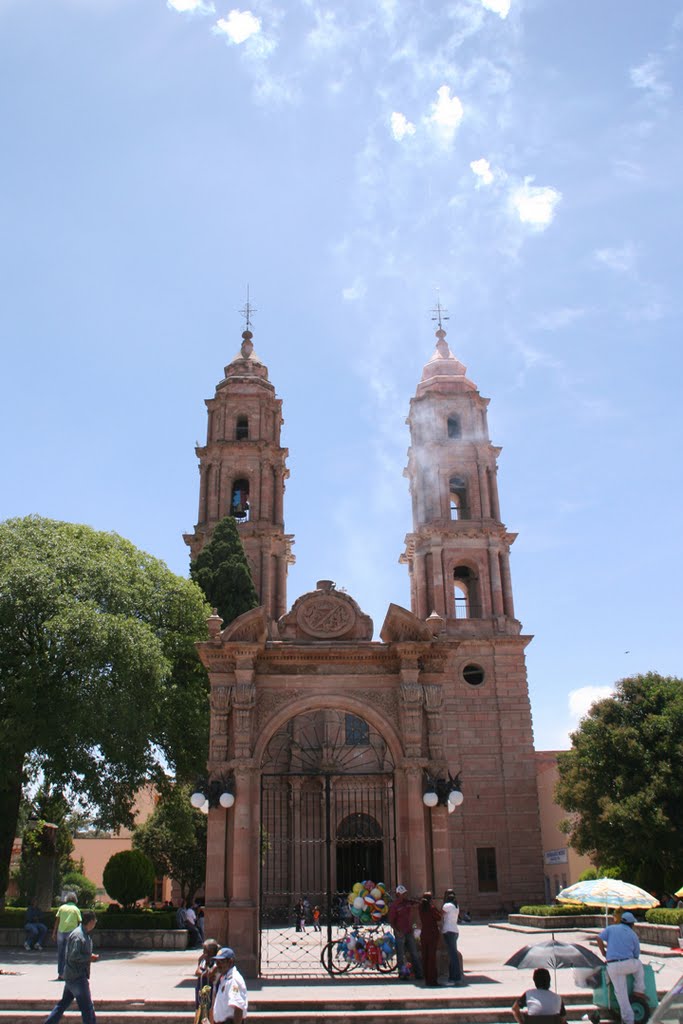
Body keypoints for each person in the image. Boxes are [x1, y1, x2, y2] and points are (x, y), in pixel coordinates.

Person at [43, 910, 99, 1024]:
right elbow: (74, 956)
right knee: (87, 1007)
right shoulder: (79, 936)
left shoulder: (83, 933)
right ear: (91, 921)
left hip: (71, 976)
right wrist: (89, 958)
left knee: (63, 1003)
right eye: (95, 921)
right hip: (77, 977)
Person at [597, 911, 646, 1024]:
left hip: (612, 966)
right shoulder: (633, 934)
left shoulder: (611, 928)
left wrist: (603, 952)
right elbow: (636, 955)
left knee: (621, 995)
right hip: (627, 963)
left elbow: (598, 938)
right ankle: (639, 990)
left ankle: (628, 1020)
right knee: (638, 965)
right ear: (632, 924)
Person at [388, 885, 423, 980]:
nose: (405, 895)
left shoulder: (407, 902)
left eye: (405, 893)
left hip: (408, 931)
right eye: (403, 894)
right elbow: (391, 921)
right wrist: (397, 931)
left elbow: (417, 903)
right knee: (400, 954)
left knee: (414, 953)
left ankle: (418, 973)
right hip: (400, 932)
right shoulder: (394, 906)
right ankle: (402, 973)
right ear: (398, 894)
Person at [210, 946, 248, 1024]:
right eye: (217, 962)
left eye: (221, 962)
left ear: (230, 962)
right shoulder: (224, 978)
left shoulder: (233, 980)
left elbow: (238, 1007)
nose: (218, 965)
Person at [52, 893, 82, 980]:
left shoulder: (62, 908)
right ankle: (68, 973)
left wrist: (54, 933)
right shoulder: (76, 909)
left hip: (60, 932)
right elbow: (80, 922)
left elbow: (57, 921)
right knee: (69, 954)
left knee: (60, 954)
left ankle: (60, 974)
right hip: (71, 933)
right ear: (75, 900)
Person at [418, 891, 442, 987]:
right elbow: (438, 917)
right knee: (432, 958)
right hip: (432, 934)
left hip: (424, 934)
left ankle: (427, 978)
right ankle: (432, 980)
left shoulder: (421, 908)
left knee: (425, 956)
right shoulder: (431, 908)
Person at [441, 888, 463, 985]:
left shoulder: (447, 906)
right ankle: (452, 977)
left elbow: (440, 914)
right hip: (455, 931)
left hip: (448, 931)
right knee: (452, 955)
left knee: (453, 956)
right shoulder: (456, 906)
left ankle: (456, 978)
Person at [195, 938, 219, 1015]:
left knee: (211, 1010)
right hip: (202, 989)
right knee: (201, 1010)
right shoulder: (204, 960)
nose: (204, 953)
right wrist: (205, 971)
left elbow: (211, 972)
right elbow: (197, 972)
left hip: (212, 990)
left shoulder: (217, 961)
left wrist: (205, 972)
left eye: (205, 951)